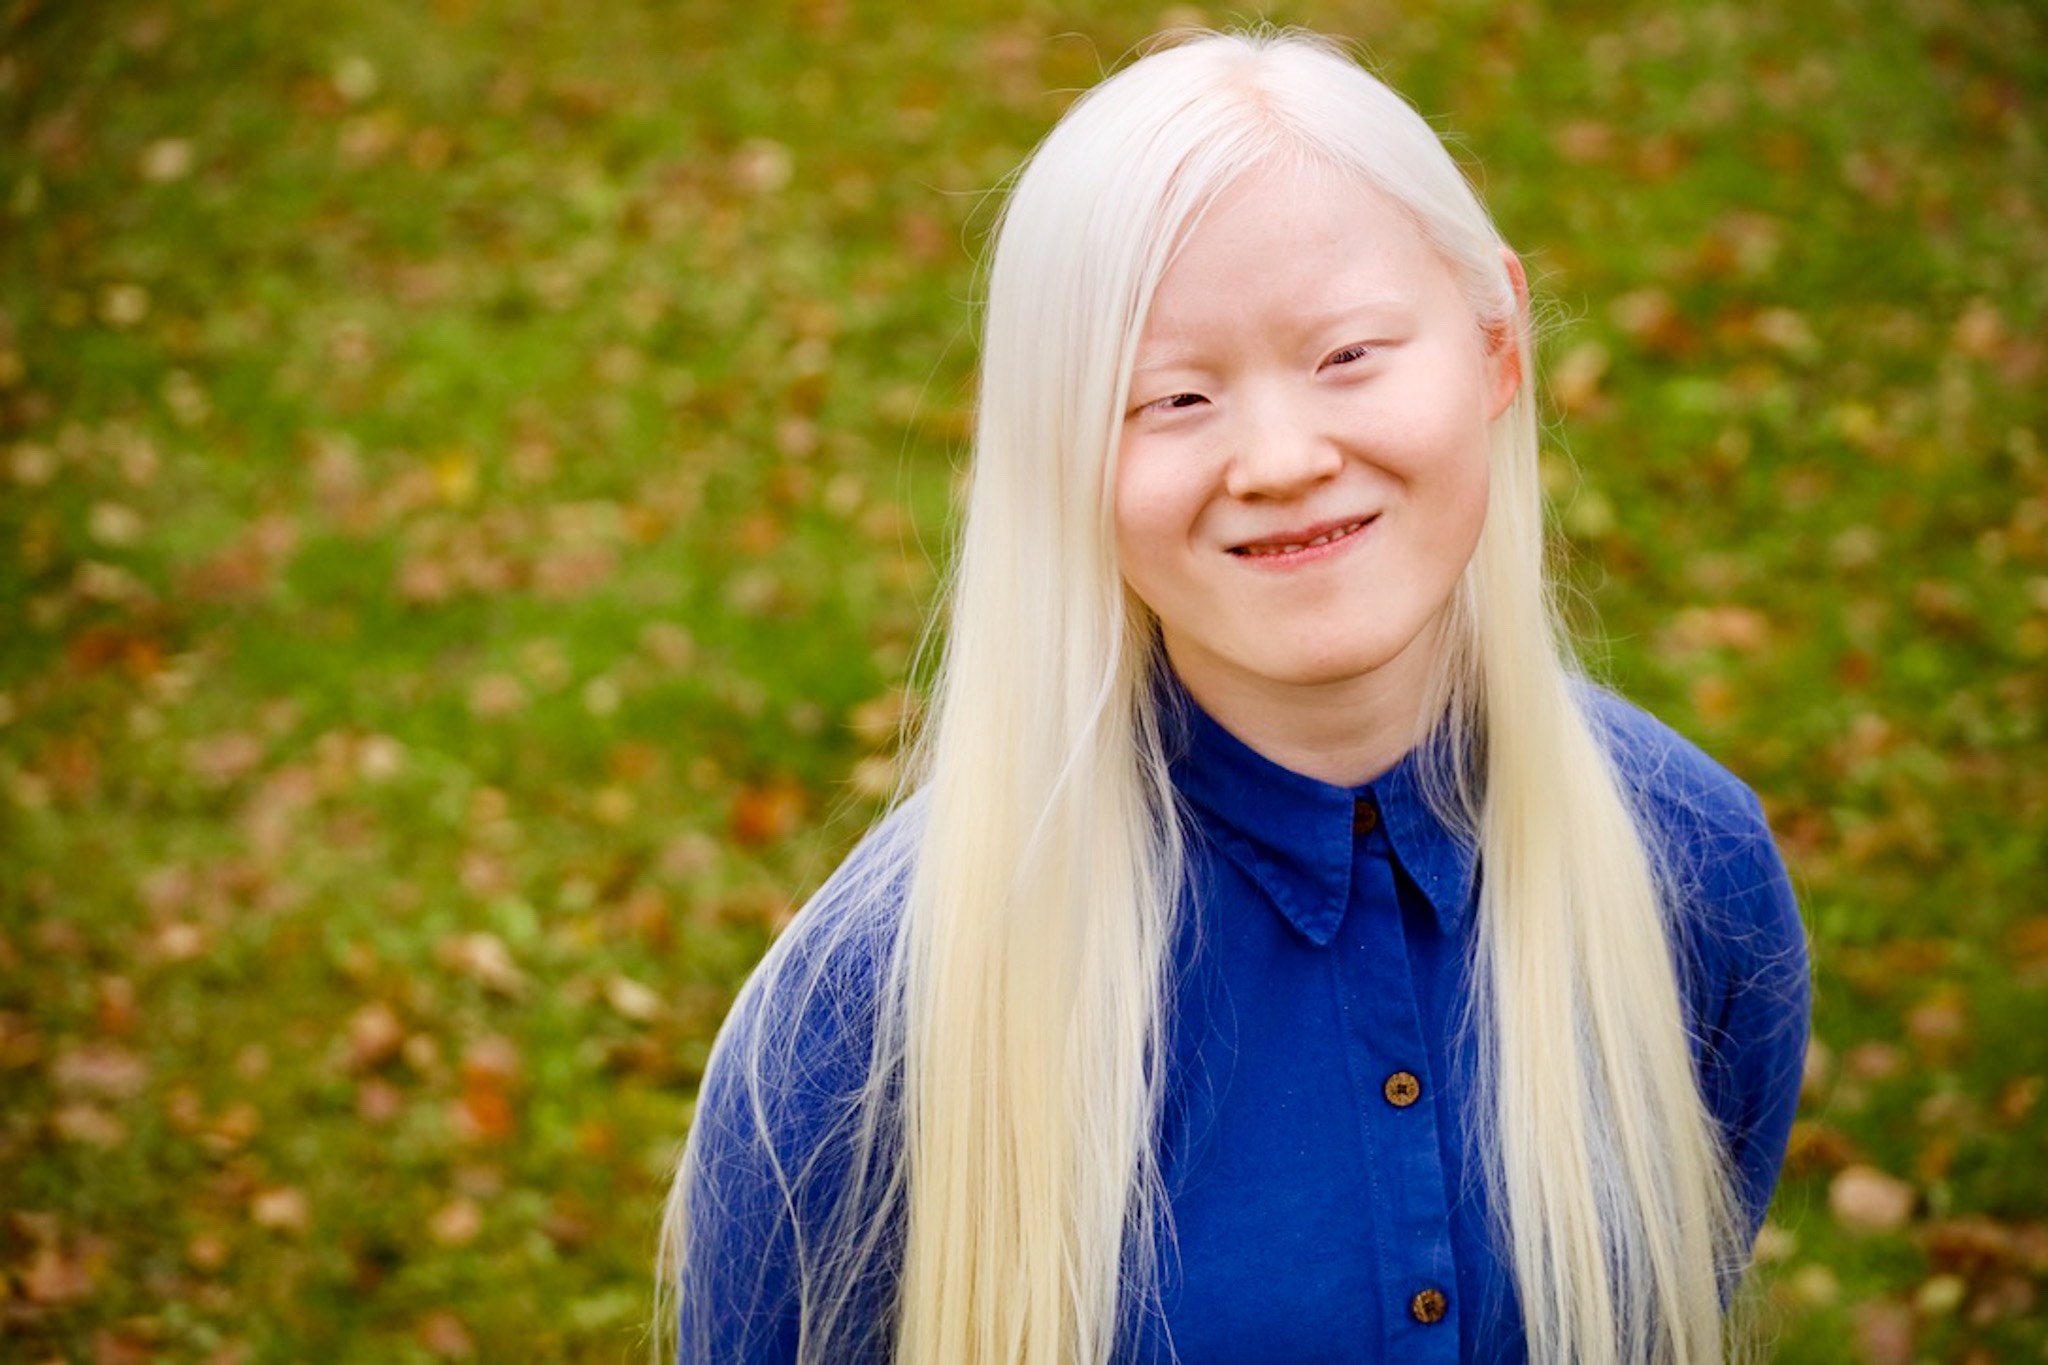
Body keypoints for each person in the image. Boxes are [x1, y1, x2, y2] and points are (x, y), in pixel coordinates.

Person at [659, 27, 1810, 1365]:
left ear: (1497, 344)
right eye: (1176, 396)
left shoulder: (1693, 872)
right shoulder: (869, 1018)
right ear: (1061, 453)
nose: (1279, 458)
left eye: (1350, 356)